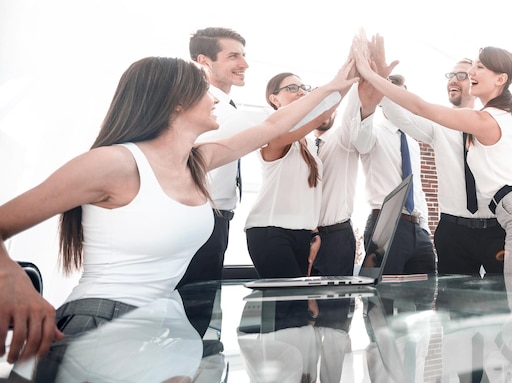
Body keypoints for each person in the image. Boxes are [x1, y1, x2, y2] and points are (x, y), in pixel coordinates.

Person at [0, 56, 357, 369]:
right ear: (174, 104)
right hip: (103, 326)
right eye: (204, 89)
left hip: (162, 324)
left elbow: (273, 127)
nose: (214, 97)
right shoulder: (113, 164)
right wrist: (15, 282)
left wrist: (336, 87)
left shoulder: (197, 162)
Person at [353, 32, 512, 275]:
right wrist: (379, 86)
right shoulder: (501, 115)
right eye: (453, 75)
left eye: (471, 70)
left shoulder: (490, 118)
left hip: (500, 224)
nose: (466, 75)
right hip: (457, 229)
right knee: (503, 299)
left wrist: (374, 76)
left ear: (498, 79)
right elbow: (406, 113)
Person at [178, 27, 251, 285]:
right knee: (193, 304)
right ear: (203, 61)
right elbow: (271, 126)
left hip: (218, 217)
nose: (245, 64)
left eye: (243, 55)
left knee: (202, 305)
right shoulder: (202, 103)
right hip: (199, 217)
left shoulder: (228, 107)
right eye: (233, 56)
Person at [352, 73, 437, 275]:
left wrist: (424, 227)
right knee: (381, 301)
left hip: (418, 229)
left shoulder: (414, 142)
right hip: (385, 225)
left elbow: (417, 188)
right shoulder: (372, 133)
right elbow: (360, 141)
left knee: (426, 293)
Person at [245, 72, 328, 278]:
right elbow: (293, 129)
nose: (300, 92)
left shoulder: (308, 142)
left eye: (303, 87)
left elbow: (306, 191)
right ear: (274, 99)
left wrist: (314, 231)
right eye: (292, 88)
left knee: (297, 306)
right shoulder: (272, 132)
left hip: (301, 233)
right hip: (271, 230)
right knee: (287, 305)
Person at [309, 82, 376, 277]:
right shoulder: (303, 146)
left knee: (335, 305)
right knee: (301, 302)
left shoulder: (343, 138)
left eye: (329, 108)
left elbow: (352, 112)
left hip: (336, 237)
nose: (324, 113)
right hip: (304, 236)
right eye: (319, 106)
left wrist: (357, 80)